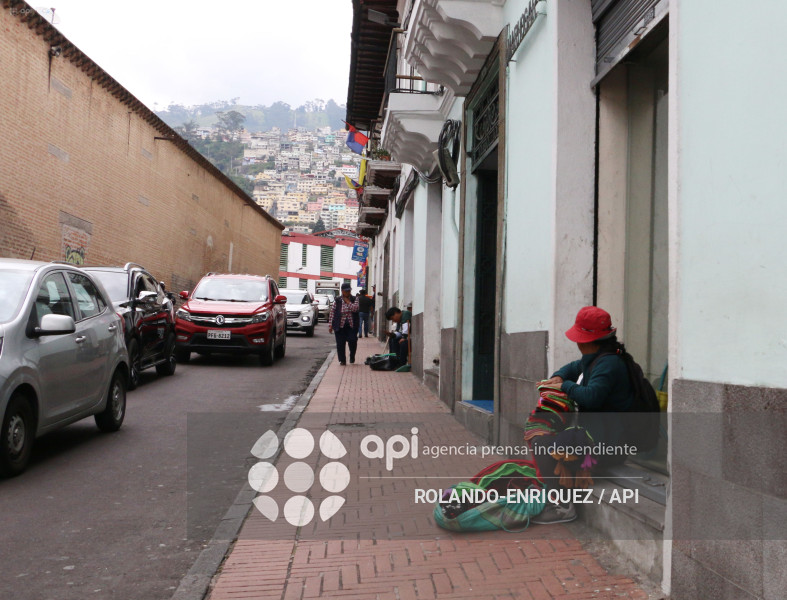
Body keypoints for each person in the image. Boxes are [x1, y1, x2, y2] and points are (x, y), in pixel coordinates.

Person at [531, 306, 635, 525]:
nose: (577, 344)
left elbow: (592, 397)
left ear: (589, 341)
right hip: (598, 438)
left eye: (579, 339)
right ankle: (555, 494)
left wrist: (565, 386)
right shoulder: (599, 358)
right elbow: (573, 367)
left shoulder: (609, 363)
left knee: (542, 442)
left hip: (608, 446)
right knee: (543, 436)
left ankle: (563, 506)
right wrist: (559, 377)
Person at [328, 283, 359, 365]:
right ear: (342, 291)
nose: (348, 292)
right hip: (339, 325)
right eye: (346, 291)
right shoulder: (337, 300)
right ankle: (342, 360)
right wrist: (330, 325)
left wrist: (348, 302)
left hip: (351, 325)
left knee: (353, 341)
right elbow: (332, 313)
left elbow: (355, 309)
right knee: (340, 343)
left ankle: (352, 355)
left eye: (349, 290)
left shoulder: (354, 299)